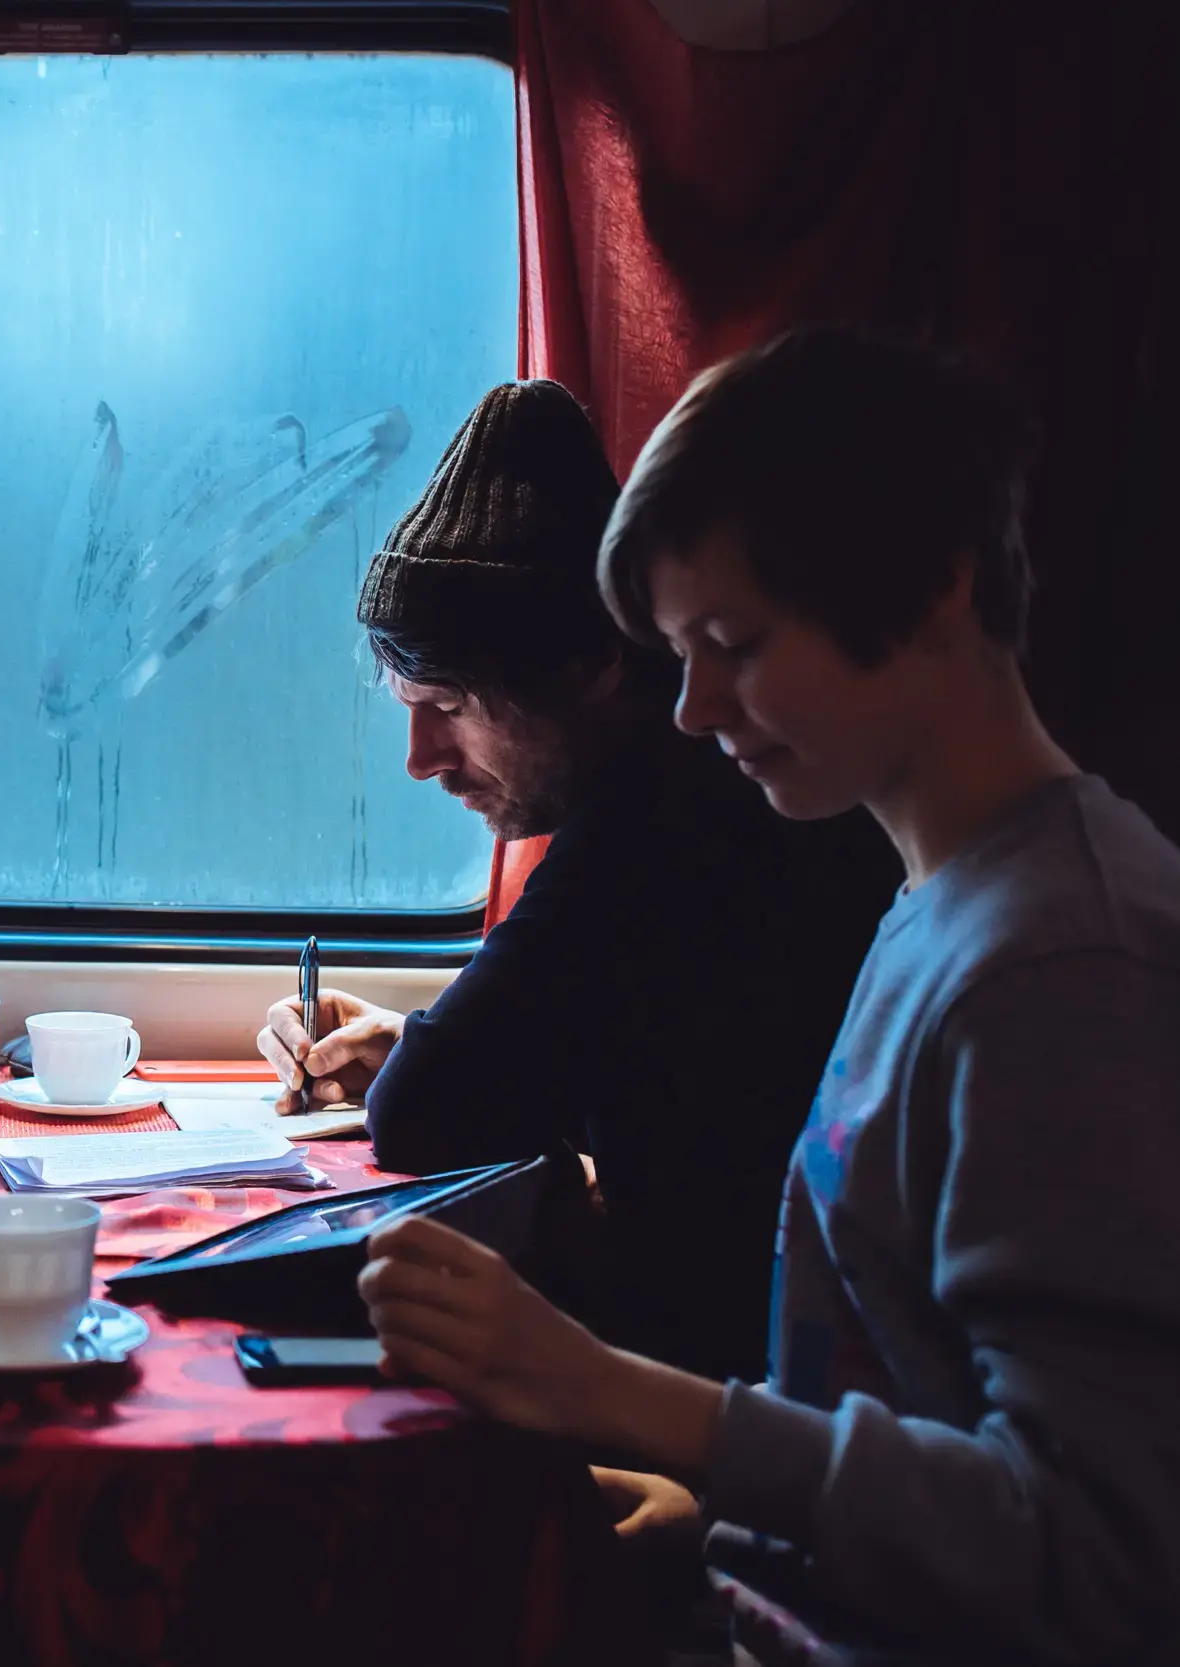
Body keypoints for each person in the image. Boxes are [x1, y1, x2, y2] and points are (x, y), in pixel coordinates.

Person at [356, 331, 1180, 1663]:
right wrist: (718, 1506)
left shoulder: (1061, 966)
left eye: (732, 642)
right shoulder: (935, 909)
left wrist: (608, 1390)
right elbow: (910, 1400)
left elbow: (1093, 1556)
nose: (687, 713)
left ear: (931, 593)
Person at [255, 380, 895, 1384]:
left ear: (593, 664)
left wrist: (427, 1053)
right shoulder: (673, 800)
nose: (421, 757)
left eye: (450, 705)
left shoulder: (666, 818)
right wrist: (407, 1031)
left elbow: (426, 1109)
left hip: (729, 1372)